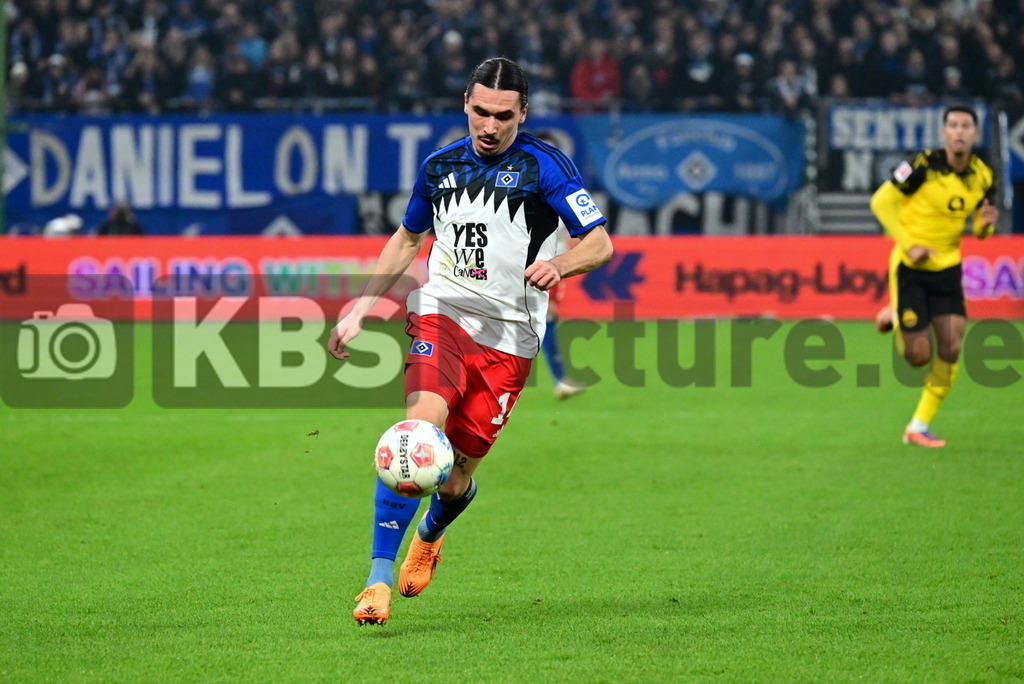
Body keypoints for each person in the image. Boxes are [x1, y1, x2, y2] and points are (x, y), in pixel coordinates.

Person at [327, 57, 613, 625]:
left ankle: (431, 534)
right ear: (465, 104)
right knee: (416, 436)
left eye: (503, 116)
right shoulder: (439, 167)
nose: (489, 125)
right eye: (480, 111)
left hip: (511, 338)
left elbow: (599, 243)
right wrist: (362, 307)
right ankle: (376, 581)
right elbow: (407, 240)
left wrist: (563, 264)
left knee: (455, 477)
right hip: (443, 313)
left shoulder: (547, 166)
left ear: (522, 114)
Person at [869, 104, 998, 448]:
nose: (958, 131)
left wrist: (985, 226)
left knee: (952, 347)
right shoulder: (922, 166)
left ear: (975, 133)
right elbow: (880, 202)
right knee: (918, 357)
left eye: (965, 126)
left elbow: (980, 229)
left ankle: (917, 425)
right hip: (910, 268)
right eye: (952, 125)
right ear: (944, 133)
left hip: (947, 268)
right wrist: (909, 243)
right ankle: (896, 314)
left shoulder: (984, 176)